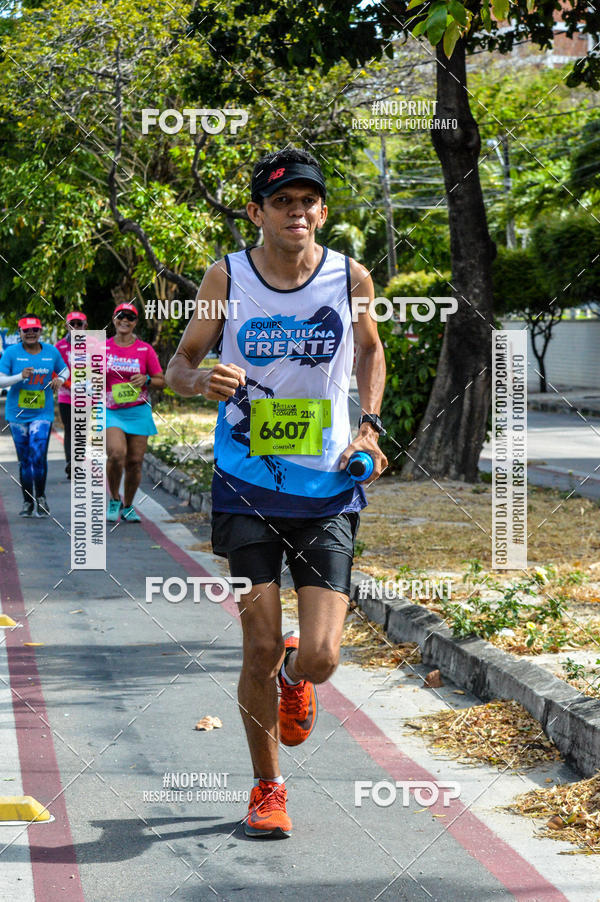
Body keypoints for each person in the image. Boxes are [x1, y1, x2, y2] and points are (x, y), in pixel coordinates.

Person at [166, 147, 388, 838]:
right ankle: (268, 788)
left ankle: (297, 675)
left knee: (320, 658)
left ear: (321, 211)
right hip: (247, 483)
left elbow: (371, 349)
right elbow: (180, 363)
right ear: (257, 212)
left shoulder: (350, 277)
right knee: (258, 646)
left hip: (327, 487)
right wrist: (199, 381)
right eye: (282, 201)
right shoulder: (226, 276)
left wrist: (369, 427)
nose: (297, 211)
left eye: (307, 201)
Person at [0, 314, 69, 517]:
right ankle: (27, 501)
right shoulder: (11, 353)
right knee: (25, 459)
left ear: (40, 331)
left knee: (38, 455)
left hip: (42, 413)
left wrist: (60, 379)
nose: (31, 333)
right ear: (19, 332)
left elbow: (65, 370)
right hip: (17, 414)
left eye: (35, 330)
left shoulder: (51, 351)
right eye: (26, 330)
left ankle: (41, 497)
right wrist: (19, 376)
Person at [105, 302, 165, 523]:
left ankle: (128, 505)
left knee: (135, 462)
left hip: (138, 411)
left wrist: (146, 379)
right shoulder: (102, 349)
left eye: (130, 317)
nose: (125, 320)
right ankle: (114, 498)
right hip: (111, 411)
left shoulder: (145, 349)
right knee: (116, 454)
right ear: (114, 319)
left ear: (135, 322)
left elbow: (161, 380)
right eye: (120, 316)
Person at [55, 311, 88, 479]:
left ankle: (78, 462)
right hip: (66, 396)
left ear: (85, 326)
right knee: (70, 428)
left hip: (86, 396)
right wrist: (70, 385)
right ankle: (71, 463)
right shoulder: (59, 346)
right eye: (72, 324)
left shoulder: (94, 345)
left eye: (79, 324)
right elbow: (54, 371)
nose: (75, 327)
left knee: (81, 430)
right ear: (66, 326)